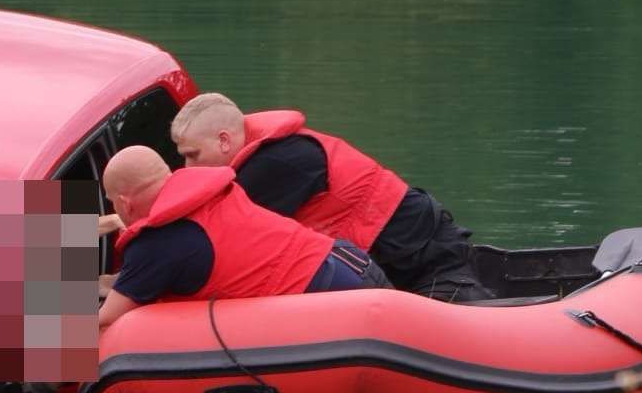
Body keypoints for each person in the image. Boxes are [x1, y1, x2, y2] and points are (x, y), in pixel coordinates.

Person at [169, 93, 492, 302]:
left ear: (224, 141)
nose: (187, 167)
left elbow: (221, 237)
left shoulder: (274, 165)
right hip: (398, 256)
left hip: (426, 260)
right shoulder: (264, 158)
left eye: (193, 155)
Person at [97, 146, 388, 328]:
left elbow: (105, 321)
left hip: (332, 302)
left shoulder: (157, 244)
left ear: (125, 203)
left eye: (112, 204)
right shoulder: (211, 193)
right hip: (351, 263)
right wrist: (106, 222)